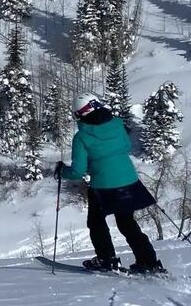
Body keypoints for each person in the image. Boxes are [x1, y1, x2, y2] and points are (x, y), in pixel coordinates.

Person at [55, 93, 164, 274]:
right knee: (127, 222)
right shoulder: (117, 123)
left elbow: (77, 171)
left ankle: (107, 260)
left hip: (103, 186)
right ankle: (149, 262)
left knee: (96, 223)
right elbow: (126, 147)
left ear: (80, 114)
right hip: (128, 180)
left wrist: (62, 171)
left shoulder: (81, 137)